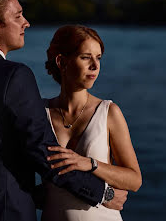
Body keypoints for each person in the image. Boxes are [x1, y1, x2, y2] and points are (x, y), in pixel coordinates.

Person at [0, 0, 126, 221]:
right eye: (18, 16)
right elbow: (44, 153)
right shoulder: (15, 75)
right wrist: (102, 193)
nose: (26, 22)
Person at [41, 25, 142, 221]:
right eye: (86, 57)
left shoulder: (109, 112)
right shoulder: (39, 112)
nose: (95, 66)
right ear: (61, 62)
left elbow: (135, 180)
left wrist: (90, 164)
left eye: (98, 58)